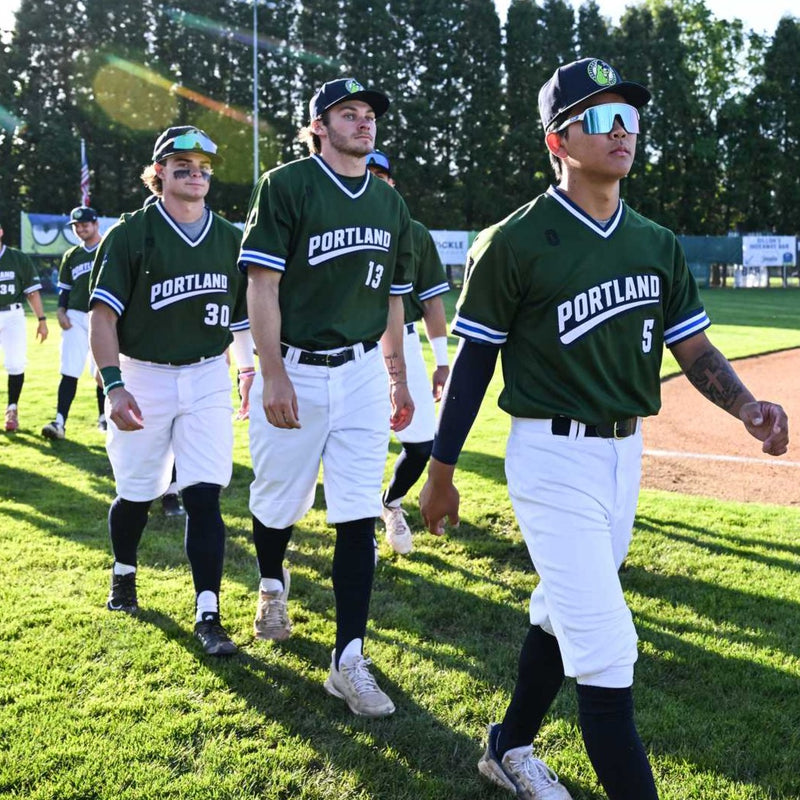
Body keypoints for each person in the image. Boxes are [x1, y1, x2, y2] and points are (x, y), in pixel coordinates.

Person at [419, 57, 789, 800]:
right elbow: (473, 363)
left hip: (625, 455)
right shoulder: (512, 241)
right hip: (550, 457)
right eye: (599, 117)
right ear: (558, 141)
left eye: (628, 116)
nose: (620, 130)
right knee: (610, 651)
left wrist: (746, 406)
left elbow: (694, 349)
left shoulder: (654, 242)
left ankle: (507, 746)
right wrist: (442, 470)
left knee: (560, 616)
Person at [239, 77, 414, 717]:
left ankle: (349, 658)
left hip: (364, 371)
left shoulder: (389, 204)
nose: (364, 123)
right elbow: (262, 285)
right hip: (299, 368)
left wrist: (396, 375)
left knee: (355, 513)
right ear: (318, 125)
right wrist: (273, 370)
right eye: (349, 113)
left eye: (369, 114)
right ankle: (270, 582)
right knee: (278, 501)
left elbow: (393, 299)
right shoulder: (286, 186)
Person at [89, 126, 255, 656]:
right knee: (137, 493)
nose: (196, 173)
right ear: (158, 171)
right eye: (182, 165)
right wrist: (113, 387)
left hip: (207, 373)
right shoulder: (130, 234)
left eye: (204, 166)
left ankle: (209, 613)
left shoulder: (230, 237)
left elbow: (243, 318)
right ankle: (124, 572)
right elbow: (102, 317)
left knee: (205, 494)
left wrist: (248, 371)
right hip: (142, 374)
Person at [365, 150, 450, 555]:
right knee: (361, 441)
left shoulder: (414, 232)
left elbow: (433, 303)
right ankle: (360, 526)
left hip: (406, 340)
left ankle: (391, 503)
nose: (378, 180)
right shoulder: (337, 224)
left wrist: (442, 361)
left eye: (384, 175)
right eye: (370, 173)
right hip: (354, 344)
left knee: (421, 445)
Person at [41, 206, 106, 439]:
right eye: (76, 226)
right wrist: (60, 311)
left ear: (95, 224)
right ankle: (59, 422)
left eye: (84, 225)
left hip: (104, 317)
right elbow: (65, 290)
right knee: (69, 369)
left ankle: (104, 418)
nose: (80, 229)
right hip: (76, 317)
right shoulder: (72, 255)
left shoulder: (109, 248)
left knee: (104, 370)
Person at [0, 221, 48, 432]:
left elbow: (32, 292)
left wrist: (42, 320)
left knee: (16, 362)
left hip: (13, 315)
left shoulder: (17, 258)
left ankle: (12, 408)